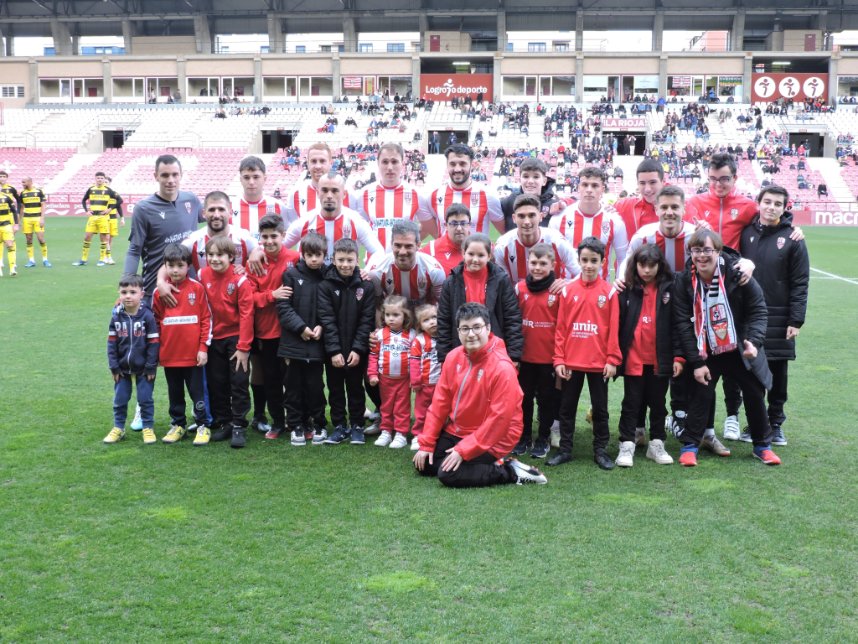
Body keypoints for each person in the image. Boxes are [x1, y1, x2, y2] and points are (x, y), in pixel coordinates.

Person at [672, 229, 781, 466]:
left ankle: (762, 445)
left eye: (707, 250)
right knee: (701, 393)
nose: (701, 256)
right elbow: (681, 323)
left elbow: (758, 310)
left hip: (739, 346)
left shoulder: (737, 274)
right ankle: (691, 445)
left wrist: (754, 341)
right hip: (705, 348)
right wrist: (697, 362)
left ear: (718, 251)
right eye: (697, 250)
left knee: (754, 392)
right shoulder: (683, 281)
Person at [412, 302, 548, 487]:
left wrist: (464, 450)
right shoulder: (453, 357)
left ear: (488, 328)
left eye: (477, 327)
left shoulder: (502, 368)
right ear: (458, 331)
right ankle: (485, 463)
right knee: (423, 464)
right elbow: (439, 404)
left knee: (448, 474)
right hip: (459, 430)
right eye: (465, 328)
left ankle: (509, 471)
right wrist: (427, 443)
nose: (471, 334)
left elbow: (499, 420)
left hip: (497, 437)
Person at [739, 185, 809, 446]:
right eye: (767, 201)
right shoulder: (746, 234)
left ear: (784, 208)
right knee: (751, 371)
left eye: (777, 203)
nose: (771, 207)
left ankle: (776, 424)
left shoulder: (793, 239)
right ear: (759, 203)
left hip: (779, 317)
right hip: (748, 316)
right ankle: (756, 424)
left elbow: (800, 282)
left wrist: (796, 319)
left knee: (778, 373)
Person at [549, 237, 621, 471]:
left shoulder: (609, 293)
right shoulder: (568, 291)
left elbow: (613, 330)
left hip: (599, 363)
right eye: (584, 260)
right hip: (571, 362)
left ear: (602, 262)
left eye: (594, 261)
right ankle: (566, 450)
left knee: (600, 409)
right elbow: (561, 328)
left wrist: (612, 360)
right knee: (567, 407)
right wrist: (559, 359)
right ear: (578, 261)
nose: (589, 265)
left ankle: (601, 451)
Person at [614, 244, 679, 467]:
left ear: (660, 266)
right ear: (635, 265)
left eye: (652, 265)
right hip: (633, 359)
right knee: (631, 403)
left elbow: (677, 326)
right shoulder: (626, 288)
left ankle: (657, 444)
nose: (647, 270)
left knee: (658, 404)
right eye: (643, 265)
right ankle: (626, 445)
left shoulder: (670, 288)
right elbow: (617, 325)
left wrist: (678, 357)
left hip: (660, 360)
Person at [317, 238, 376, 446]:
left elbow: (367, 320)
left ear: (357, 259)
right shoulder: (325, 286)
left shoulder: (366, 286)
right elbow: (327, 319)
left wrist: (358, 349)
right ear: (333, 259)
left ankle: (357, 425)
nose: (345, 264)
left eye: (349, 260)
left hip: (356, 351)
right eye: (341, 260)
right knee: (335, 388)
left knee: (355, 387)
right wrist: (333, 351)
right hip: (333, 351)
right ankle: (340, 425)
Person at [152, 244, 212, 446]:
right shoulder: (158, 293)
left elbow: (206, 319)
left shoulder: (197, 288)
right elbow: (156, 322)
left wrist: (203, 347)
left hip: (193, 355)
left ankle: (203, 425)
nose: (175, 270)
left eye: (180, 265)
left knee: (198, 393)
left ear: (188, 266)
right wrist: (158, 350)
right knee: (174, 392)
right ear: (165, 266)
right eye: (171, 265)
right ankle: (178, 425)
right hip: (170, 355)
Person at [246, 214, 300, 441]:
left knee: (294, 380)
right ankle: (277, 421)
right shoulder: (255, 263)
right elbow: (249, 298)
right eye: (264, 237)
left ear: (284, 236)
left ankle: (297, 419)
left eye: (273, 236)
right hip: (266, 332)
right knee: (272, 379)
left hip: (291, 332)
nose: (268, 241)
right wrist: (272, 295)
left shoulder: (295, 258)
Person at [123, 154, 203, 304]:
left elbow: (215, 218)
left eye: (175, 175)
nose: (170, 180)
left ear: (181, 175)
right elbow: (134, 249)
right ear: (156, 176)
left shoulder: (191, 199)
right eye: (165, 175)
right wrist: (127, 283)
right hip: (156, 287)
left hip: (190, 285)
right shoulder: (144, 208)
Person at [200, 237, 254, 449]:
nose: (214, 259)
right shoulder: (202, 275)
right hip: (214, 338)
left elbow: (247, 315)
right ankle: (225, 422)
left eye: (219, 255)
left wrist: (243, 347)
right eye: (210, 255)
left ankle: (240, 424)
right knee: (217, 382)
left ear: (231, 257)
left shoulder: (240, 280)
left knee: (239, 381)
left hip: (236, 339)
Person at [436, 233, 523, 364]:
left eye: (481, 255)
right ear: (463, 253)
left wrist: (514, 355)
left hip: (493, 350)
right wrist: (444, 357)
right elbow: (444, 320)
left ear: (489, 256)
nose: (475, 259)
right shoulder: (451, 282)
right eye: (471, 254)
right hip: (461, 349)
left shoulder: (501, 280)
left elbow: (512, 317)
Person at [277, 231, 328, 446]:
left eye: (318, 255)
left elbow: (332, 307)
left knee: (315, 386)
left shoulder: (329, 275)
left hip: (317, 342)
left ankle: (318, 423)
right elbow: (283, 307)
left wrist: (321, 327)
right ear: (302, 254)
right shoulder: (290, 275)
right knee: (293, 386)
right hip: (293, 342)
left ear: (325, 255)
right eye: (309, 255)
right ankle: (296, 424)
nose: (314, 259)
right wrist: (301, 328)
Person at [513, 243, 560, 460]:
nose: (538, 267)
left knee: (547, 399)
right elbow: (513, 321)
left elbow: (563, 326)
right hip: (524, 357)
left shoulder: (559, 290)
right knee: (524, 399)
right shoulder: (519, 288)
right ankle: (524, 437)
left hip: (548, 358)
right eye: (534, 263)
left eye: (543, 263)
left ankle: (543, 438)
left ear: (553, 265)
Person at [102, 275, 160, 445]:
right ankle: (118, 428)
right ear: (119, 294)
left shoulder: (147, 316)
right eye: (124, 292)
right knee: (120, 399)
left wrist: (151, 365)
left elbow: (154, 342)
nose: (128, 296)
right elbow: (111, 344)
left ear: (142, 294)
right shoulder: (116, 317)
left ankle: (148, 427)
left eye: (133, 292)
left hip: (144, 369)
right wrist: (114, 366)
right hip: (122, 369)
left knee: (145, 399)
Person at [282, 171, 383, 264]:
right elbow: (280, 248)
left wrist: (368, 271)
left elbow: (378, 252)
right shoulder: (304, 222)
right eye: (324, 190)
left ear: (344, 194)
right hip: (313, 283)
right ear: (318, 193)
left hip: (343, 283)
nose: (329, 195)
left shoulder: (356, 221)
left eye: (335, 191)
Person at [548, 166, 628, 280]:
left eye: (595, 185)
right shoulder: (559, 218)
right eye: (585, 185)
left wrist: (619, 284)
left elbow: (623, 258)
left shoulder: (614, 220)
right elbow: (551, 257)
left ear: (602, 189)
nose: (589, 189)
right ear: (578, 187)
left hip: (600, 293)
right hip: (566, 291)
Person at [352, 142, 433, 248]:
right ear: (378, 164)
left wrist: (410, 243)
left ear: (402, 164)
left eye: (394, 162)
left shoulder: (415, 194)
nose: (390, 167)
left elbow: (428, 226)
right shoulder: (365, 193)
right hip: (376, 262)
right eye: (385, 162)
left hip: (405, 262)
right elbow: (357, 229)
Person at [418, 143, 504, 238]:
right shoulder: (434, 196)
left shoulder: (488, 196)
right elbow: (426, 228)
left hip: (475, 252)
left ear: (471, 165)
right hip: (444, 253)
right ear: (447, 165)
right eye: (452, 164)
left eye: (462, 164)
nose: (457, 169)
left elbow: (505, 233)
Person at [494, 193, 580, 284]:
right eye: (521, 216)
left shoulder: (557, 241)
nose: (527, 222)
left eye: (532, 215)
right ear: (514, 218)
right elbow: (502, 284)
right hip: (516, 297)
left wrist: (567, 284)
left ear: (541, 216)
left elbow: (581, 273)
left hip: (553, 297)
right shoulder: (502, 247)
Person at [368, 295, 416, 449]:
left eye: (396, 315)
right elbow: (373, 355)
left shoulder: (412, 335)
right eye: (388, 315)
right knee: (386, 407)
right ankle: (386, 431)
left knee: (402, 407)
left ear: (405, 315)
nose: (391, 319)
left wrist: (415, 378)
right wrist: (373, 374)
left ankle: (401, 434)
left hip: (404, 379)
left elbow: (416, 358)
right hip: (385, 378)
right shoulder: (379, 334)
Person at [367, 220, 447, 307]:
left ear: (418, 245)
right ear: (391, 244)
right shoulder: (377, 271)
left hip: (424, 317)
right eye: (397, 245)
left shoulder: (433, 270)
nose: (402, 252)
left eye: (408, 246)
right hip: (392, 318)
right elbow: (378, 306)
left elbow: (442, 304)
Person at [284, 143, 353, 222]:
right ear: (308, 163)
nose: (318, 166)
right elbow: (293, 226)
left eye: (322, 161)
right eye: (313, 161)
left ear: (331, 163)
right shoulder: (296, 193)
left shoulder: (347, 191)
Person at [499, 158, 566, 232]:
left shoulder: (554, 205)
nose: (530, 181)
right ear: (519, 179)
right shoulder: (510, 201)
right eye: (526, 176)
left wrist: (564, 205)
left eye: (536, 177)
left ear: (544, 181)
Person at [409, 303, 440, 452]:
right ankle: (418, 435)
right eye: (426, 320)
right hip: (425, 384)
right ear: (420, 325)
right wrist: (415, 381)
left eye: (434, 317)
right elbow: (414, 362)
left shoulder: (446, 337)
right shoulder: (419, 340)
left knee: (440, 411)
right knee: (422, 412)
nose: (432, 321)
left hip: (442, 385)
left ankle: (437, 434)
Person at [74, 172, 121, 267]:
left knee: (104, 238)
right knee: (87, 236)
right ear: (95, 179)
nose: (100, 179)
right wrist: (86, 210)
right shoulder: (91, 189)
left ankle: (101, 259)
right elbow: (83, 200)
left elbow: (120, 200)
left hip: (103, 218)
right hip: (92, 217)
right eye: (98, 178)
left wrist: (110, 209)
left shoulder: (108, 190)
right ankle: (83, 259)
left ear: (104, 179)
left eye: (101, 178)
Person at [233, 155, 290, 233]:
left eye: (256, 177)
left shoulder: (278, 206)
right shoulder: (231, 207)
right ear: (240, 180)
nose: (251, 182)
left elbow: (285, 236)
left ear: (264, 178)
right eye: (246, 177)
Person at [612, 159, 664, 238]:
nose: (647, 189)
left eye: (652, 182)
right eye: (642, 183)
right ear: (637, 183)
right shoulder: (624, 206)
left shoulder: (676, 208)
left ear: (663, 182)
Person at [419, 203, 471, 276]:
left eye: (463, 223)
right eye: (454, 223)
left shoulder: (482, 246)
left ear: (469, 225)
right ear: (446, 226)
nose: (459, 228)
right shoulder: (431, 249)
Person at [19, 177, 51, 268]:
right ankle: (31, 260)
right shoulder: (22, 193)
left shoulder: (39, 191)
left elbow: (43, 205)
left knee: (41, 239)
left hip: (37, 218)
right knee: (29, 239)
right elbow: (21, 207)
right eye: (22, 182)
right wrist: (19, 220)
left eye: (24, 182)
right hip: (27, 219)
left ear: (30, 182)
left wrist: (42, 218)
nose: (23, 184)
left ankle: (45, 259)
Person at [103, 176, 124, 265]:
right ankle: (105, 257)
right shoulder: (101, 194)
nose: (105, 183)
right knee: (106, 238)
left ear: (110, 183)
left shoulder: (114, 194)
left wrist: (122, 218)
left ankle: (107, 255)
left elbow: (119, 205)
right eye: (104, 182)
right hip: (104, 218)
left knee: (110, 239)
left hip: (113, 218)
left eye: (107, 182)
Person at [0, 180, 19, 276]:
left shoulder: (6, 197)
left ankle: (12, 268)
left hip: (6, 225)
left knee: (10, 245)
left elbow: (14, 211)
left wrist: (16, 224)